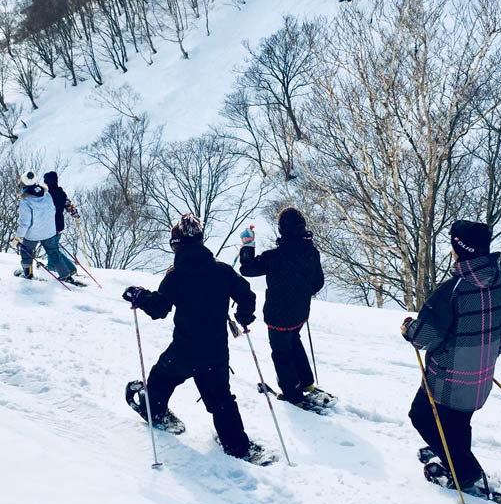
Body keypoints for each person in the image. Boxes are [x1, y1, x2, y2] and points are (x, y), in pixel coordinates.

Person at [121, 213, 272, 464]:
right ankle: (237, 446)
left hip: (185, 349)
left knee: (161, 376)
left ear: (177, 245)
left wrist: (139, 295)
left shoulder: (177, 275)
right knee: (221, 398)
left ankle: (154, 411)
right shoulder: (222, 271)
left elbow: (159, 309)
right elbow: (247, 295)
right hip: (215, 351)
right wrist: (244, 316)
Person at [401, 219, 501, 491]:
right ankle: (453, 453)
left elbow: (423, 338)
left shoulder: (452, 291)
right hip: (480, 380)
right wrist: (481, 355)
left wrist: (408, 329)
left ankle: (464, 471)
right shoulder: (500, 285)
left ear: (459, 249)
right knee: (459, 422)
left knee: (422, 416)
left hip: (446, 381)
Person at [238, 207, 327, 409]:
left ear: (282, 230)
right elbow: (318, 283)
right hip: (300, 312)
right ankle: (307, 383)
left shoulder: (275, 256)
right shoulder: (311, 252)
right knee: (294, 341)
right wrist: (302, 292)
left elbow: (247, 269)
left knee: (282, 354)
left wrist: (247, 245)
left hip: (278, 315)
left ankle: (293, 394)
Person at [42, 171, 84, 286]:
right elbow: (68, 206)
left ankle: (68, 268)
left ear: (47, 182)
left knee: (52, 249)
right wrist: (74, 213)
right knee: (53, 247)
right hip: (59, 225)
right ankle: (53, 266)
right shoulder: (61, 193)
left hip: (50, 225)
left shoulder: (47, 195)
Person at [13, 170, 55, 279]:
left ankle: (28, 274)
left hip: (33, 233)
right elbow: (52, 210)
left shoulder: (25, 201)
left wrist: (19, 236)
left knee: (26, 251)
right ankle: (65, 274)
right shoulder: (46, 194)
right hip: (48, 231)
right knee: (54, 253)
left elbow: (24, 222)